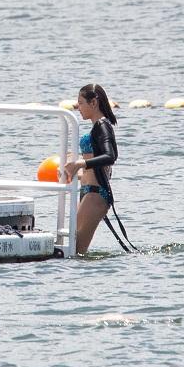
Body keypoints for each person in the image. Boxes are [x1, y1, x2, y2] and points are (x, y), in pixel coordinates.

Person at [61, 83, 133, 253]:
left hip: (96, 195)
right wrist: (74, 168)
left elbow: (111, 156)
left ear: (93, 103)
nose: (78, 107)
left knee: (75, 250)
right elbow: (94, 164)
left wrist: (80, 163)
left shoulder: (103, 125)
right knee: (73, 249)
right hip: (87, 192)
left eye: (81, 103)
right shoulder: (95, 127)